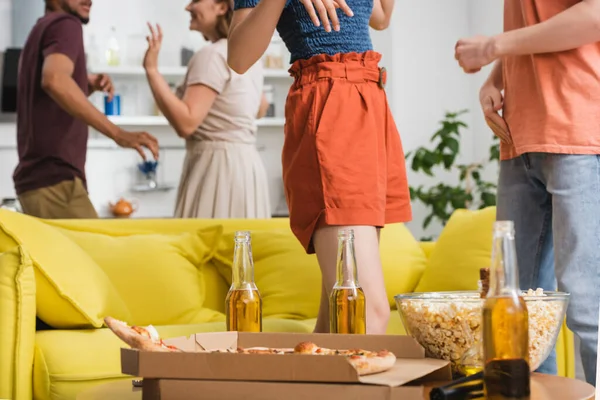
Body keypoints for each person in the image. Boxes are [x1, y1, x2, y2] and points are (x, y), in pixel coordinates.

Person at [228, 0, 410, 334]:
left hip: (370, 99)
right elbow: (238, 58)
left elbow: (379, 17)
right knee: (363, 310)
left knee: (336, 315)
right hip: (330, 100)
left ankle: (300, 387)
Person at [455, 0, 600, 386]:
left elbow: (595, 15)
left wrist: (493, 47)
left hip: (579, 133)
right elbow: (539, 23)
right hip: (520, 136)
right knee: (516, 305)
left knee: (589, 308)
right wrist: (496, 78)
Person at [14, 0, 160, 220]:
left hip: (38, 184)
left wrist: (84, 84)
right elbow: (54, 80)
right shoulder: (66, 24)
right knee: (100, 253)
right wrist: (118, 134)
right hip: (57, 184)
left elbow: (49, 90)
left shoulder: (40, 28)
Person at [143, 0, 271, 219]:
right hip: (246, 166)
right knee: (243, 249)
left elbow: (186, 122)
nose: (188, 7)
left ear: (221, 7)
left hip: (217, 170)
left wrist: (152, 70)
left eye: (195, 1)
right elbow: (261, 107)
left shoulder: (212, 55)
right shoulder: (250, 58)